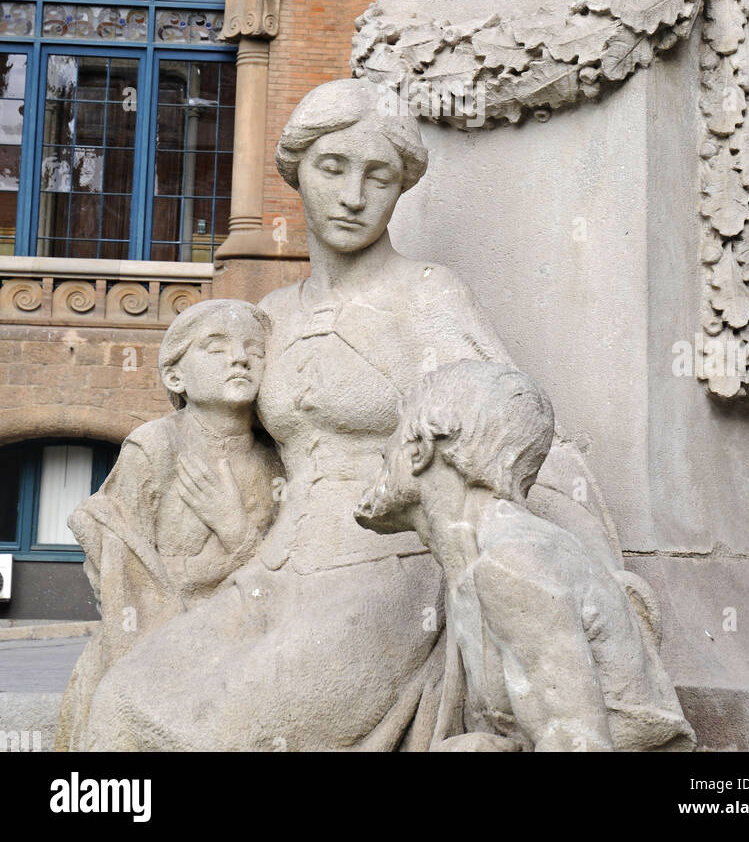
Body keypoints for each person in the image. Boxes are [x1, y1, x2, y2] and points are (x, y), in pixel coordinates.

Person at [81, 80, 517, 751]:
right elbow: (210, 425)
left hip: (388, 573)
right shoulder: (272, 317)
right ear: (296, 173)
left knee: (225, 732)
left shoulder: (427, 294)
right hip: (270, 568)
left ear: (401, 188)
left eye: (378, 176)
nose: (352, 197)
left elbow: (499, 428)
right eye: (332, 168)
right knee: (120, 705)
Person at [356, 360, 696, 753]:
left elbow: (576, 744)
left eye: (396, 432)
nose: (384, 448)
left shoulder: (511, 563)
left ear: (421, 448)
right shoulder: (473, 563)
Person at [55, 298, 280, 751]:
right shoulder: (156, 445)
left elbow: (281, 575)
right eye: (215, 348)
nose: (239, 358)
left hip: (243, 646)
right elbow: (122, 562)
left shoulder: (275, 459)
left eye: (254, 349)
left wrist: (237, 534)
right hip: (158, 644)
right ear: (176, 376)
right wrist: (209, 567)